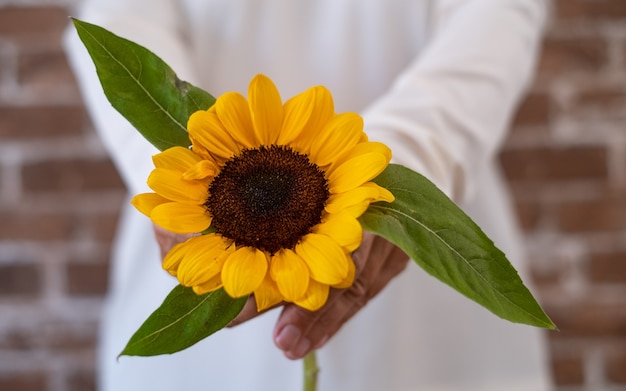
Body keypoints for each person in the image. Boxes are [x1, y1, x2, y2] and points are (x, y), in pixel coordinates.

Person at [64, 1, 552, 390]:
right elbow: (121, 16)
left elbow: (496, 17)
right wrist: (186, 173)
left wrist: (399, 160)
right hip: (205, 225)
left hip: (421, 319)